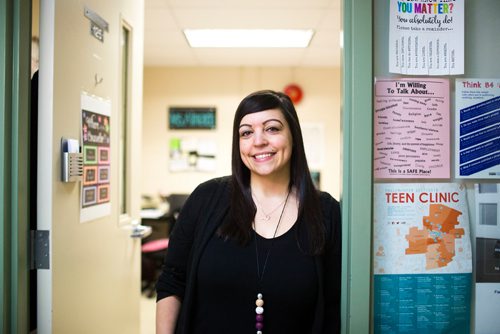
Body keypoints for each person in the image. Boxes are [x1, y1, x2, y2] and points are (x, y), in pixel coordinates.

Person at [156, 89, 341, 334]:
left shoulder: (325, 213)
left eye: (272, 128)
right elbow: (172, 279)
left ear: (293, 135)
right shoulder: (206, 198)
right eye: (246, 132)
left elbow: (334, 305)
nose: (258, 141)